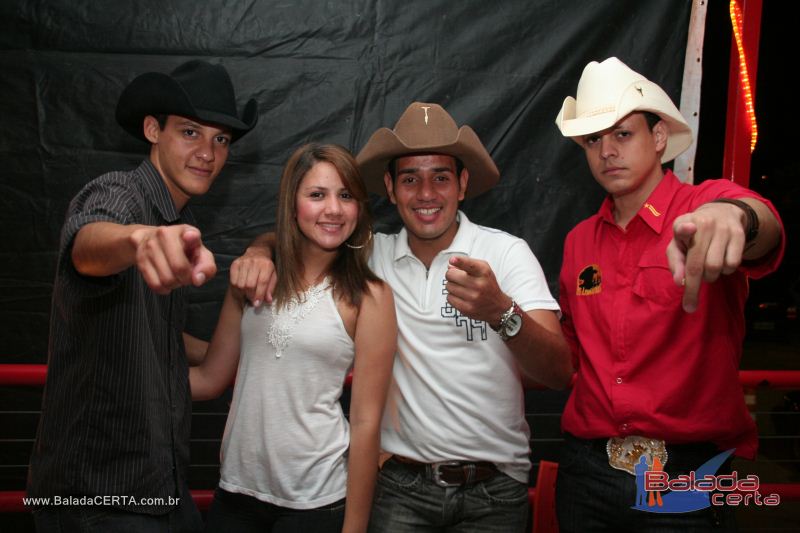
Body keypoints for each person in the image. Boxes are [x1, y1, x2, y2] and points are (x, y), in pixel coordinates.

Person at [232, 102, 573, 532]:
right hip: (400, 488)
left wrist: (502, 312)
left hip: (494, 491)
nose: (426, 193)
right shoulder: (373, 256)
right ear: (391, 189)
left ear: (463, 184)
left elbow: (559, 371)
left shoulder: (505, 253)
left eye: (441, 178)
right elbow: (300, 237)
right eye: (411, 179)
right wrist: (260, 251)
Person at [553, 57, 784, 531]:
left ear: (659, 138)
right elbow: (570, 348)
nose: (606, 151)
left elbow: (764, 230)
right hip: (587, 472)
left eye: (623, 134)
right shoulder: (579, 241)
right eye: (593, 139)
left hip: (685, 475)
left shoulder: (703, 205)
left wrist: (738, 217)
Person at [27, 59, 258, 533]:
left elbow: (176, 351)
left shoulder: (175, 225)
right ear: (153, 130)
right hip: (96, 499)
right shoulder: (121, 194)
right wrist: (138, 241)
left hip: (160, 490)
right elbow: (88, 243)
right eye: (190, 133)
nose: (208, 153)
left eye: (221, 140)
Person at [190, 143, 396, 533]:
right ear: (292, 204)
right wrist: (124, 376)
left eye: (346, 195)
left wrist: (354, 529)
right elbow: (209, 378)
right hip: (235, 494)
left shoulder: (371, 297)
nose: (333, 209)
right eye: (317, 194)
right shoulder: (252, 277)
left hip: (316, 502)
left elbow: (367, 422)